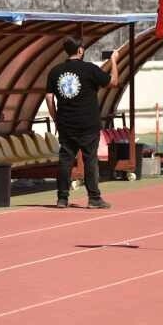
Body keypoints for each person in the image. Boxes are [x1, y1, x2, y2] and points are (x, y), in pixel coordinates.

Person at [45, 37, 117, 209]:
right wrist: (114, 61)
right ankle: (94, 198)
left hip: (66, 124)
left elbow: (49, 97)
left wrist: (56, 118)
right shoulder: (90, 69)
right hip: (88, 124)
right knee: (90, 160)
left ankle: (62, 198)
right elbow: (113, 82)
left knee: (65, 160)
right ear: (80, 50)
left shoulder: (55, 71)